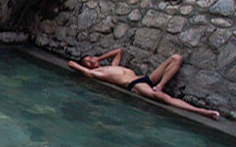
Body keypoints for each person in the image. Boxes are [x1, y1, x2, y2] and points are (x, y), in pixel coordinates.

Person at [68, 49, 220, 120]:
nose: (92, 60)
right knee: (160, 97)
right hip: (134, 84)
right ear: (87, 66)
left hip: (146, 78)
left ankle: (161, 84)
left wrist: (98, 58)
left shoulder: (112, 66)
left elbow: (118, 51)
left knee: (176, 58)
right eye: (88, 61)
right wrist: (80, 66)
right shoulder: (98, 73)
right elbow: (76, 66)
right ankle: (202, 111)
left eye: (91, 58)